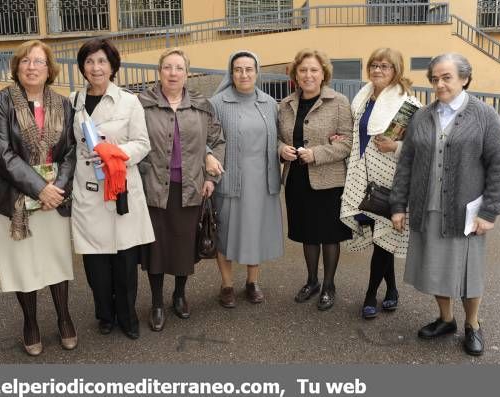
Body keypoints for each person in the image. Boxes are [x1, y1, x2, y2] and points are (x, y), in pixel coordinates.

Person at [390, 53, 500, 356]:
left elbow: (499, 166)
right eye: (435, 78)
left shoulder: (485, 115)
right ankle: (446, 319)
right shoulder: (420, 115)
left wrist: (489, 212)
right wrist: (398, 205)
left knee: (469, 272)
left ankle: (472, 324)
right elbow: (406, 163)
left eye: (447, 77)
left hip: (465, 212)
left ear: (465, 78)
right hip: (427, 207)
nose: (439, 84)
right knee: (436, 268)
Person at [0, 40, 77, 356]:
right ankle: (30, 322)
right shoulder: (1, 101)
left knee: (57, 258)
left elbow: (71, 150)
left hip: (54, 197)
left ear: (49, 69)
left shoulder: (63, 104)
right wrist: (38, 187)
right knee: (22, 261)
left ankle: (64, 317)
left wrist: (56, 188)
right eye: (26, 61)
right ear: (17, 67)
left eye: (39, 61)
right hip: (14, 195)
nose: (32, 67)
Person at [70, 38, 155, 340]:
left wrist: (112, 151)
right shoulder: (74, 102)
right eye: (90, 61)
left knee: (124, 260)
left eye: (102, 61)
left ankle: (127, 315)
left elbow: (143, 144)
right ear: (82, 66)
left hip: (121, 190)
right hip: (88, 190)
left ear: (113, 66)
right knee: (95, 262)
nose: (96, 67)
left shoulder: (129, 102)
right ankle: (104, 313)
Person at [138, 48, 225, 331]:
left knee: (184, 246)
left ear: (187, 73)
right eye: (167, 67)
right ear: (159, 72)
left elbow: (217, 141)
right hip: (153, 187)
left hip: (190, 187)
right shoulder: (142, 104)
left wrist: (211, 178)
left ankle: (179, 295)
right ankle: (156, 303)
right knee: (156, 249)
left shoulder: (201, 105)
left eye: (178, 68)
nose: (173, 73)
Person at [338, 48, 419, 319]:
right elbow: (356, 134)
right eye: (373, 65)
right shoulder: (362, 99)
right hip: (363, 178)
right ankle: (392, 290)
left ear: (396, 70)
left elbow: (420, 146)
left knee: (384, 237)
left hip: (391, 182)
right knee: (380, 237)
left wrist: (396, 146)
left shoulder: (407, 105)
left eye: (384, 66)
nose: (377, 70)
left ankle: (371, 295)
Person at [278, 49, 353, 311]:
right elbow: (278, 137)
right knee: (308, 234)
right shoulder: (285, 104)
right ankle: (311, 281)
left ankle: (329, 285)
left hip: (329, 179)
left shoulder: (339, 102)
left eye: (314, 70)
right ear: (295, 75)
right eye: (303, 70)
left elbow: (347, 143)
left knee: (329, 235)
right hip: (297, 179)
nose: (308, 75)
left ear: (323, 74)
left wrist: (317, 153)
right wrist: (281, 149)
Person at [208, 50, 284, 308]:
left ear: (257, 72)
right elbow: (203, 139)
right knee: (226, 232)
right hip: (230, 180)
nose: (243, 74)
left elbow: (281, 138)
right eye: (238, 69)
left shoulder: (270, 103)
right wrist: (208, 156)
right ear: (231, 73)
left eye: (249, 69)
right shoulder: (217, 103)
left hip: (262, 181)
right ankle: (227, 285)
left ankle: (252, 282)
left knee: (256, 231)